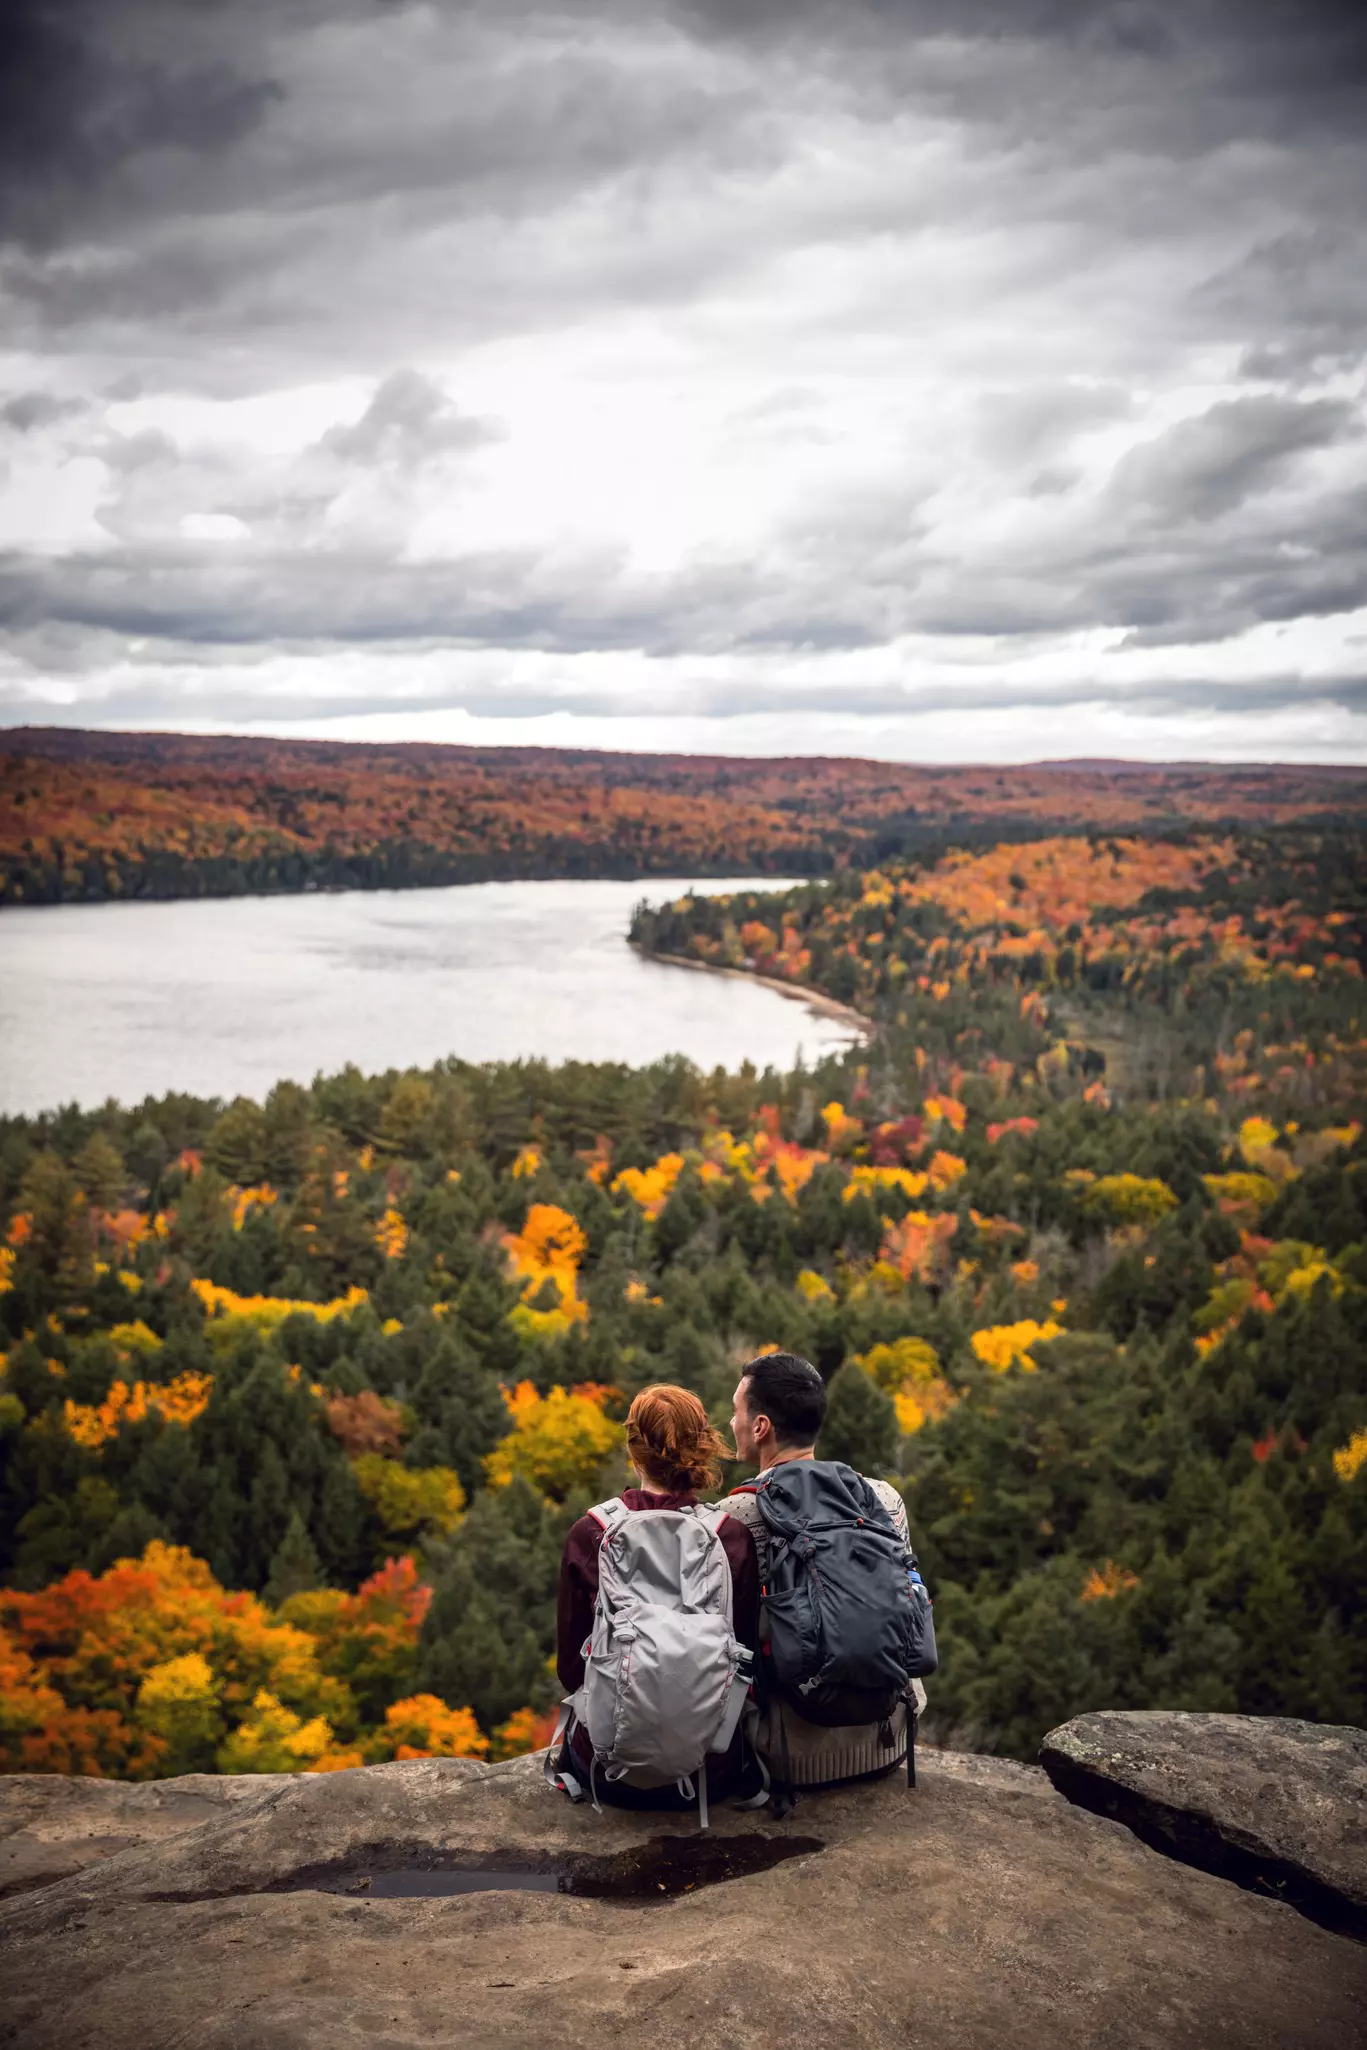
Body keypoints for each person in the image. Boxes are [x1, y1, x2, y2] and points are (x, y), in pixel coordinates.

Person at [725, 1350, 929, 1791]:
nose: (730, 1422)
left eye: (736, 1411)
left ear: (761, 1428)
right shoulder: (883, 1497)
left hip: (786, 1759)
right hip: (886, 1745)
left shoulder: (733, 1516)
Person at [550, 1382, 761, 1809]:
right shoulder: (729, 1537)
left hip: (607, 1772)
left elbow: (572, 1671)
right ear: (702, 1446)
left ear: (633, 1450)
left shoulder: (592, 1532)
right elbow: (745, 1658)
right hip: (709, 1769)